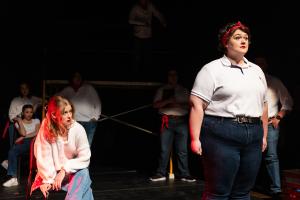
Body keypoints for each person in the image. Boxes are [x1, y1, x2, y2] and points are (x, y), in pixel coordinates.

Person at [189, 21, 269, 199]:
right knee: (218, 192)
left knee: (243, 192)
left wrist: (263, 135)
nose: (243, 41)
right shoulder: (212, 70)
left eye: (246, 38)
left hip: (253, 134)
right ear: (226, 42)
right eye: (238, 37)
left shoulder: (256, 70)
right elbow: (197, 105)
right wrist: (195, 139)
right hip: (221, 132)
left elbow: (263, 105)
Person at [30, 95, 94, 199]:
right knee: (85, 186)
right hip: (50, 173)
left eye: (70, 111)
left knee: (83, 173)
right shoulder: (46, 127)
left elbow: (85, 157)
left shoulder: (78, 129)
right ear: (54, 115)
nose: (70, 116)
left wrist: (64, 170)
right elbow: (43, 156)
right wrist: (48, 179)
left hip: (71, 172)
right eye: (65, 113)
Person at [254, 56, 293, 199]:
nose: (259, 65)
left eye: (262, 63)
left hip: (270, 123)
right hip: (253, 123)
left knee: (271, 156)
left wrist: (279, 116)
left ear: (266, 65)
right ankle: (250, 185)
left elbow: (288, 101)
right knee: (252, 155)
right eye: (257, 63)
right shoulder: (249, 81)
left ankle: (276, 189)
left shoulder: (274, 82)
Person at [149, 69, 196, 182]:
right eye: (170, 75)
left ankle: (184, 174)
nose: (173, 77)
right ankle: (160, 173)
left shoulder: (183, 90)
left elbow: (192, 105)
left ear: (178, 77)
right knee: (164, 149)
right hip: (167, 121)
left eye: (175, 75)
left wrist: (178, 104)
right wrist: (168, 101)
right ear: (168, 77)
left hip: (181, 121)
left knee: (182, 150)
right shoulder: (162, 90)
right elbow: (155, 105)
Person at [57, 71, 101, 147]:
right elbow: (57, 98)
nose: (77, 78)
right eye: (75, 76)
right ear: (72, 78)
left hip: (88, 122)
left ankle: (84, 159)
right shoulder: (68, 90)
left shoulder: (88, 88)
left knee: (86, 146)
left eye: (79, 76)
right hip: (73, 121)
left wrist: (95, 117)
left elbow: (97, 103)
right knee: (73, 145)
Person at [2, 104, 40, 187]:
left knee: (17, 146)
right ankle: (14, 178)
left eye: (31, 112)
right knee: (13, 151)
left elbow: (36, 132)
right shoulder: (18, 123)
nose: (29, 114)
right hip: (25, 142)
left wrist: (22, 138)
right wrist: (19, 121)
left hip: (35, 141)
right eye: (27, 112)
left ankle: (9, 164)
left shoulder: (36, 121)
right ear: (23, 113)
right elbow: (23, 133)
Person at [128, 0, 167, 77]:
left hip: (148, 36)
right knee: (137, 56)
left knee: (147, 56)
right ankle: (135, 74)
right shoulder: (135, 8)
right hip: (138, 36)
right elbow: (130, 20)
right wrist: (142, 23)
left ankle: (147, 74)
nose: (144, 1)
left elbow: (157, 14)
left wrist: (163, 21)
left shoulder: (150, 6)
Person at [7, 81, 42, 147]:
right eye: (22, 88)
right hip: (18, 121)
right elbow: (11, 115)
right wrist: (18, 120)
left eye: (26, 88)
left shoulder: (32, 98)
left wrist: (37, 105)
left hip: (30, 119)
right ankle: (13, 146)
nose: (24, 90)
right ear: (20, 90)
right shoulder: (15, 100)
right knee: (11, 127)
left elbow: (44, 100)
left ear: (29, 89)